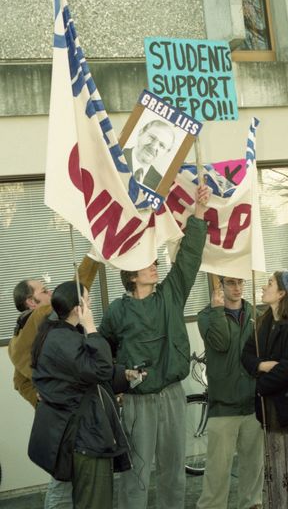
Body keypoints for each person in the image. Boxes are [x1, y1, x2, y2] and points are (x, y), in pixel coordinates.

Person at [99, 185, 210, 509]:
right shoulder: (117, 311)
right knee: (136, 475)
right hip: (138, 402)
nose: (154, 266)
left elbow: (188, 258)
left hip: (173, 394)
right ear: (131, 277)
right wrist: (118, 381)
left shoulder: (171, 295)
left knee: (174, 472)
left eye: (154, 262)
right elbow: (102, 352)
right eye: (147, 264)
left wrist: (198, 213)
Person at [30, 281, 138, 509]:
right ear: (77, 307)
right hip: (85, 437)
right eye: (88, 300)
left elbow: (87, 375)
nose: (91, 304)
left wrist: (122, 375)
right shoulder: (63, 339)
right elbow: (100, 369)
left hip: (80, 434)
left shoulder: (60, 334)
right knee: (95, 502)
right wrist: (91, 329)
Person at [8, 255, 99, 509]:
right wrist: (93, 257)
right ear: (31, 302)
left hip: (61, 415)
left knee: (65, 478)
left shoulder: (25, 331)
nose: (51, 294)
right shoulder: (38, 319)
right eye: (45, 291)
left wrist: (39, 398)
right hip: (66, 417)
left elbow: (19, 382)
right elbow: (75, 290)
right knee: (63, 482)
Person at [196, 276, 264, 509]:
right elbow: (222, 342)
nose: (237, 288)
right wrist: (217, 311)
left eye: (240, 282)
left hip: (253, 404)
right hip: (224, 406)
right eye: (231, 283)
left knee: (253, 470)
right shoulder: (206, 316)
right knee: (217, 473)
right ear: (220, 286)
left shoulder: (254, 313)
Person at [242, 270, 288, 508]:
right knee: (277, 475)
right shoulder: (262, 323)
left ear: (282, 293)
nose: (264, 287)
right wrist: (261, 364)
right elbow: (246, 355)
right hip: (270, 415)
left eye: (270, 283)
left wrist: (260, 384)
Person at [123, 119, 175, 189]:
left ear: (166, 153)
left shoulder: (159, 183)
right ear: (141, 133)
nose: (154, 146)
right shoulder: (117, 155)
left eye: (162, 146)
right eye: (152, 137)